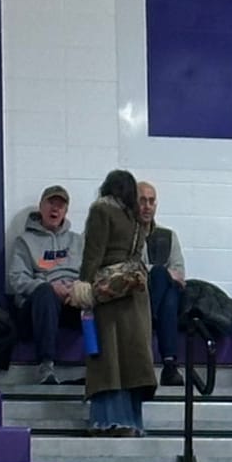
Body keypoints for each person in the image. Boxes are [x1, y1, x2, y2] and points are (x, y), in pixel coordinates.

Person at [76, 170, 152, 436]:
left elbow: (94, 252)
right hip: (135, 295)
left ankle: (107, 420)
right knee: (131, 360)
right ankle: (131, 422)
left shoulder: (101, 210)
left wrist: (84, 283)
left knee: (108, 358)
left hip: (109, 295)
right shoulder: (137, 218)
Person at [7, 184, 80, 383]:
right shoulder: (24, 241)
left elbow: (90, 273)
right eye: (51, 203)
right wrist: (49, 287)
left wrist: (78, 289)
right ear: (41, 207)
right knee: (45, 291)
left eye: (60, 205)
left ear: (66, 211)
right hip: (37, 306)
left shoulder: (78, 241)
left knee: (103, 298)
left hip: (72, 301)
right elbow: (17, 279)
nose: (55, 209)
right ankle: (46, 366)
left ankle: (103, 369)